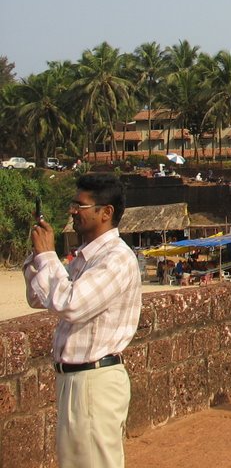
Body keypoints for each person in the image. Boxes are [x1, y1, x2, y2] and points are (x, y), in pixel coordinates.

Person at [23, 173, 142, 468]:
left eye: (81, 205)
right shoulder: (85, 258)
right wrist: (37, 257)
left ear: (106, 213)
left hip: (94, 380)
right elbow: (40, 298)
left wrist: (48, 257)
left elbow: (71, 304)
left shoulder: (116, 258)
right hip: (75, 379)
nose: (73, 211)